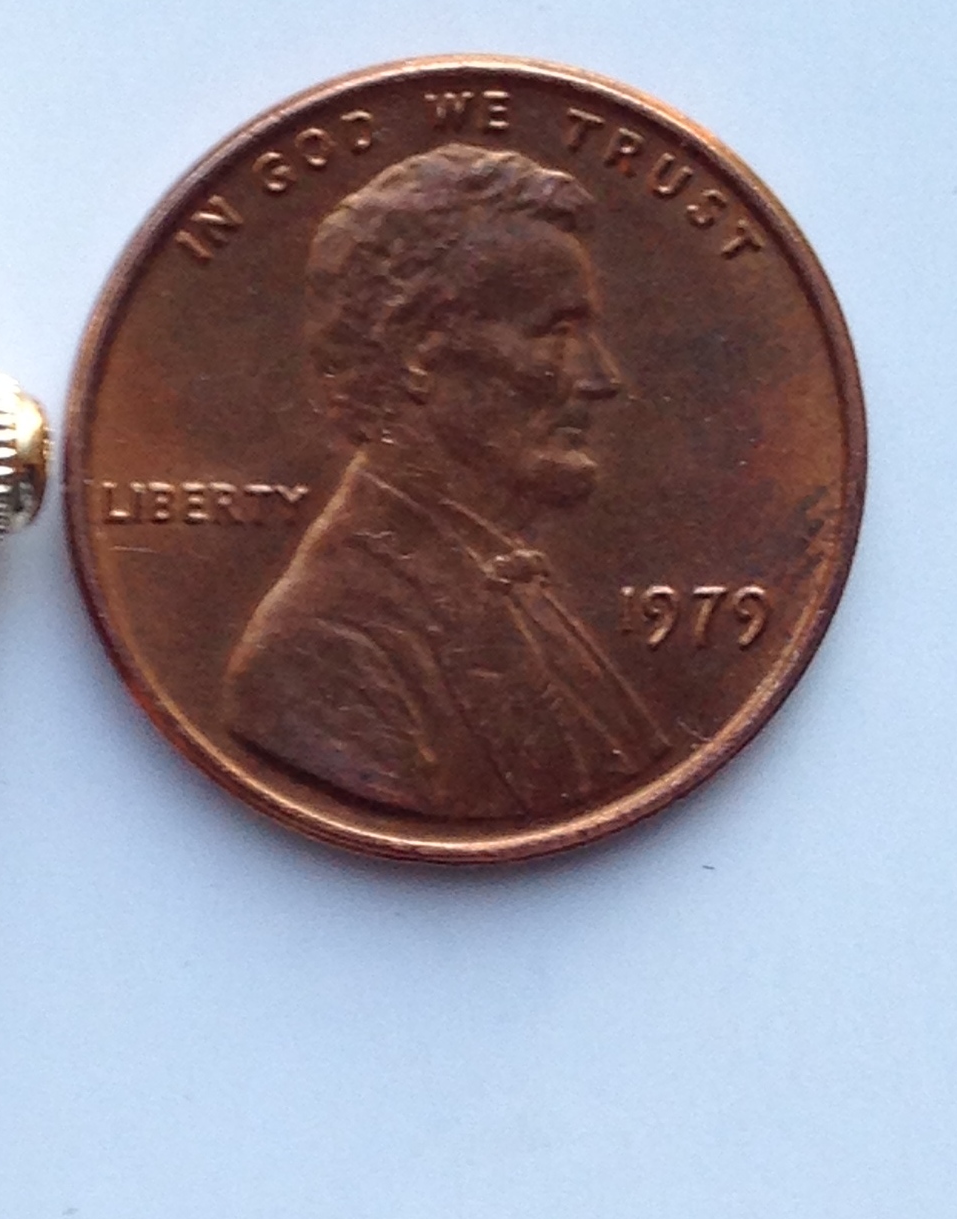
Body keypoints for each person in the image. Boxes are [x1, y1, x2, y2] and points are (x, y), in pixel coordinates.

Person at [224, 143, 672, 820]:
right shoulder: (322, 649)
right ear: (418, 356)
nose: (600, 378)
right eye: (555, 332)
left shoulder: (503, 578)